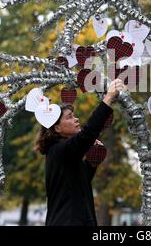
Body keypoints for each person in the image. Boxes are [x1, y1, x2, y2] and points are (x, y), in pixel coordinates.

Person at [34, 79, 126, 226]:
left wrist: (91, 162)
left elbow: (79, 183)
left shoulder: (65, 154)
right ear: (57, 128)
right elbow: (88, 133)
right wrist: (108, 98)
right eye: (69, 117)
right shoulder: (60, 150)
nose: (76, 119)